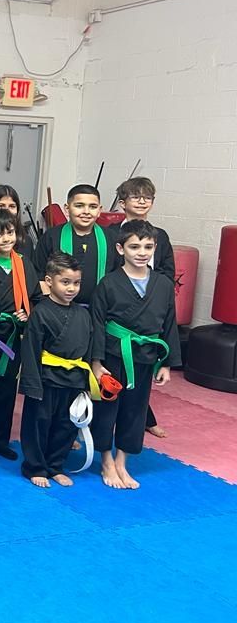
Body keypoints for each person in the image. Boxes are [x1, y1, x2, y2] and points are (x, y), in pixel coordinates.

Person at [91, 221, 182, 490]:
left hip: (144, 355)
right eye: (134, 246)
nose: (141, 252)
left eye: (147, 247)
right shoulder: (108, 283)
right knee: (107, 409)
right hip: (113, 355)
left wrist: (166, 363)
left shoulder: (163, 284)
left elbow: (169, 322)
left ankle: (122, 462)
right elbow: (96, 323)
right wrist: (96, 363)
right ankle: (106, 460)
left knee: (136, 410)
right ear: (120, 249)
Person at [107, 177, 175, 439]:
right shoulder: (111, 234)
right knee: (117, 371)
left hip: (150, 304)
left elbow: (167, 269)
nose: (143, 201)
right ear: (123, 203)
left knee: (142, 368)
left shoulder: (160, 236)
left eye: (148, 197)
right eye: (137, 196)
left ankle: (144, 419)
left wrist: (156, 292)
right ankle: (101, 424)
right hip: (120, 307)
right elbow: (108, 270)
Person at [18, 252, 93, 488]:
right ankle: (35, 467)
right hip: (46, 377)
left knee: (66, 424)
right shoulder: (40, 312)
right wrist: (31, 384)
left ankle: (55, 465)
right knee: (38, 423)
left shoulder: (83, 313)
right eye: (65, 282)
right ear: (49, 281)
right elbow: (30, 350)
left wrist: (87, 381)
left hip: (74, 377)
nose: (72, 288)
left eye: (76, 283)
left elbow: (88, 348)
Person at [0, 208, 42, 461]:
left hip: (12, 333)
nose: (6, 239)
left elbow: (35, 297)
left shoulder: (23, 263)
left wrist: (28, 313)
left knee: (5, 388)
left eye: (10, 233)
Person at [33, 184, 113, 307]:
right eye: (79, 206)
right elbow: (39, 274)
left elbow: (118, 274)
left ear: (99, 210)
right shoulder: (51, 237)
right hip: (58, 309)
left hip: (100, 309)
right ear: (67, 208)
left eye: (92, 207)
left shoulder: (111, 238)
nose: (86, 212)